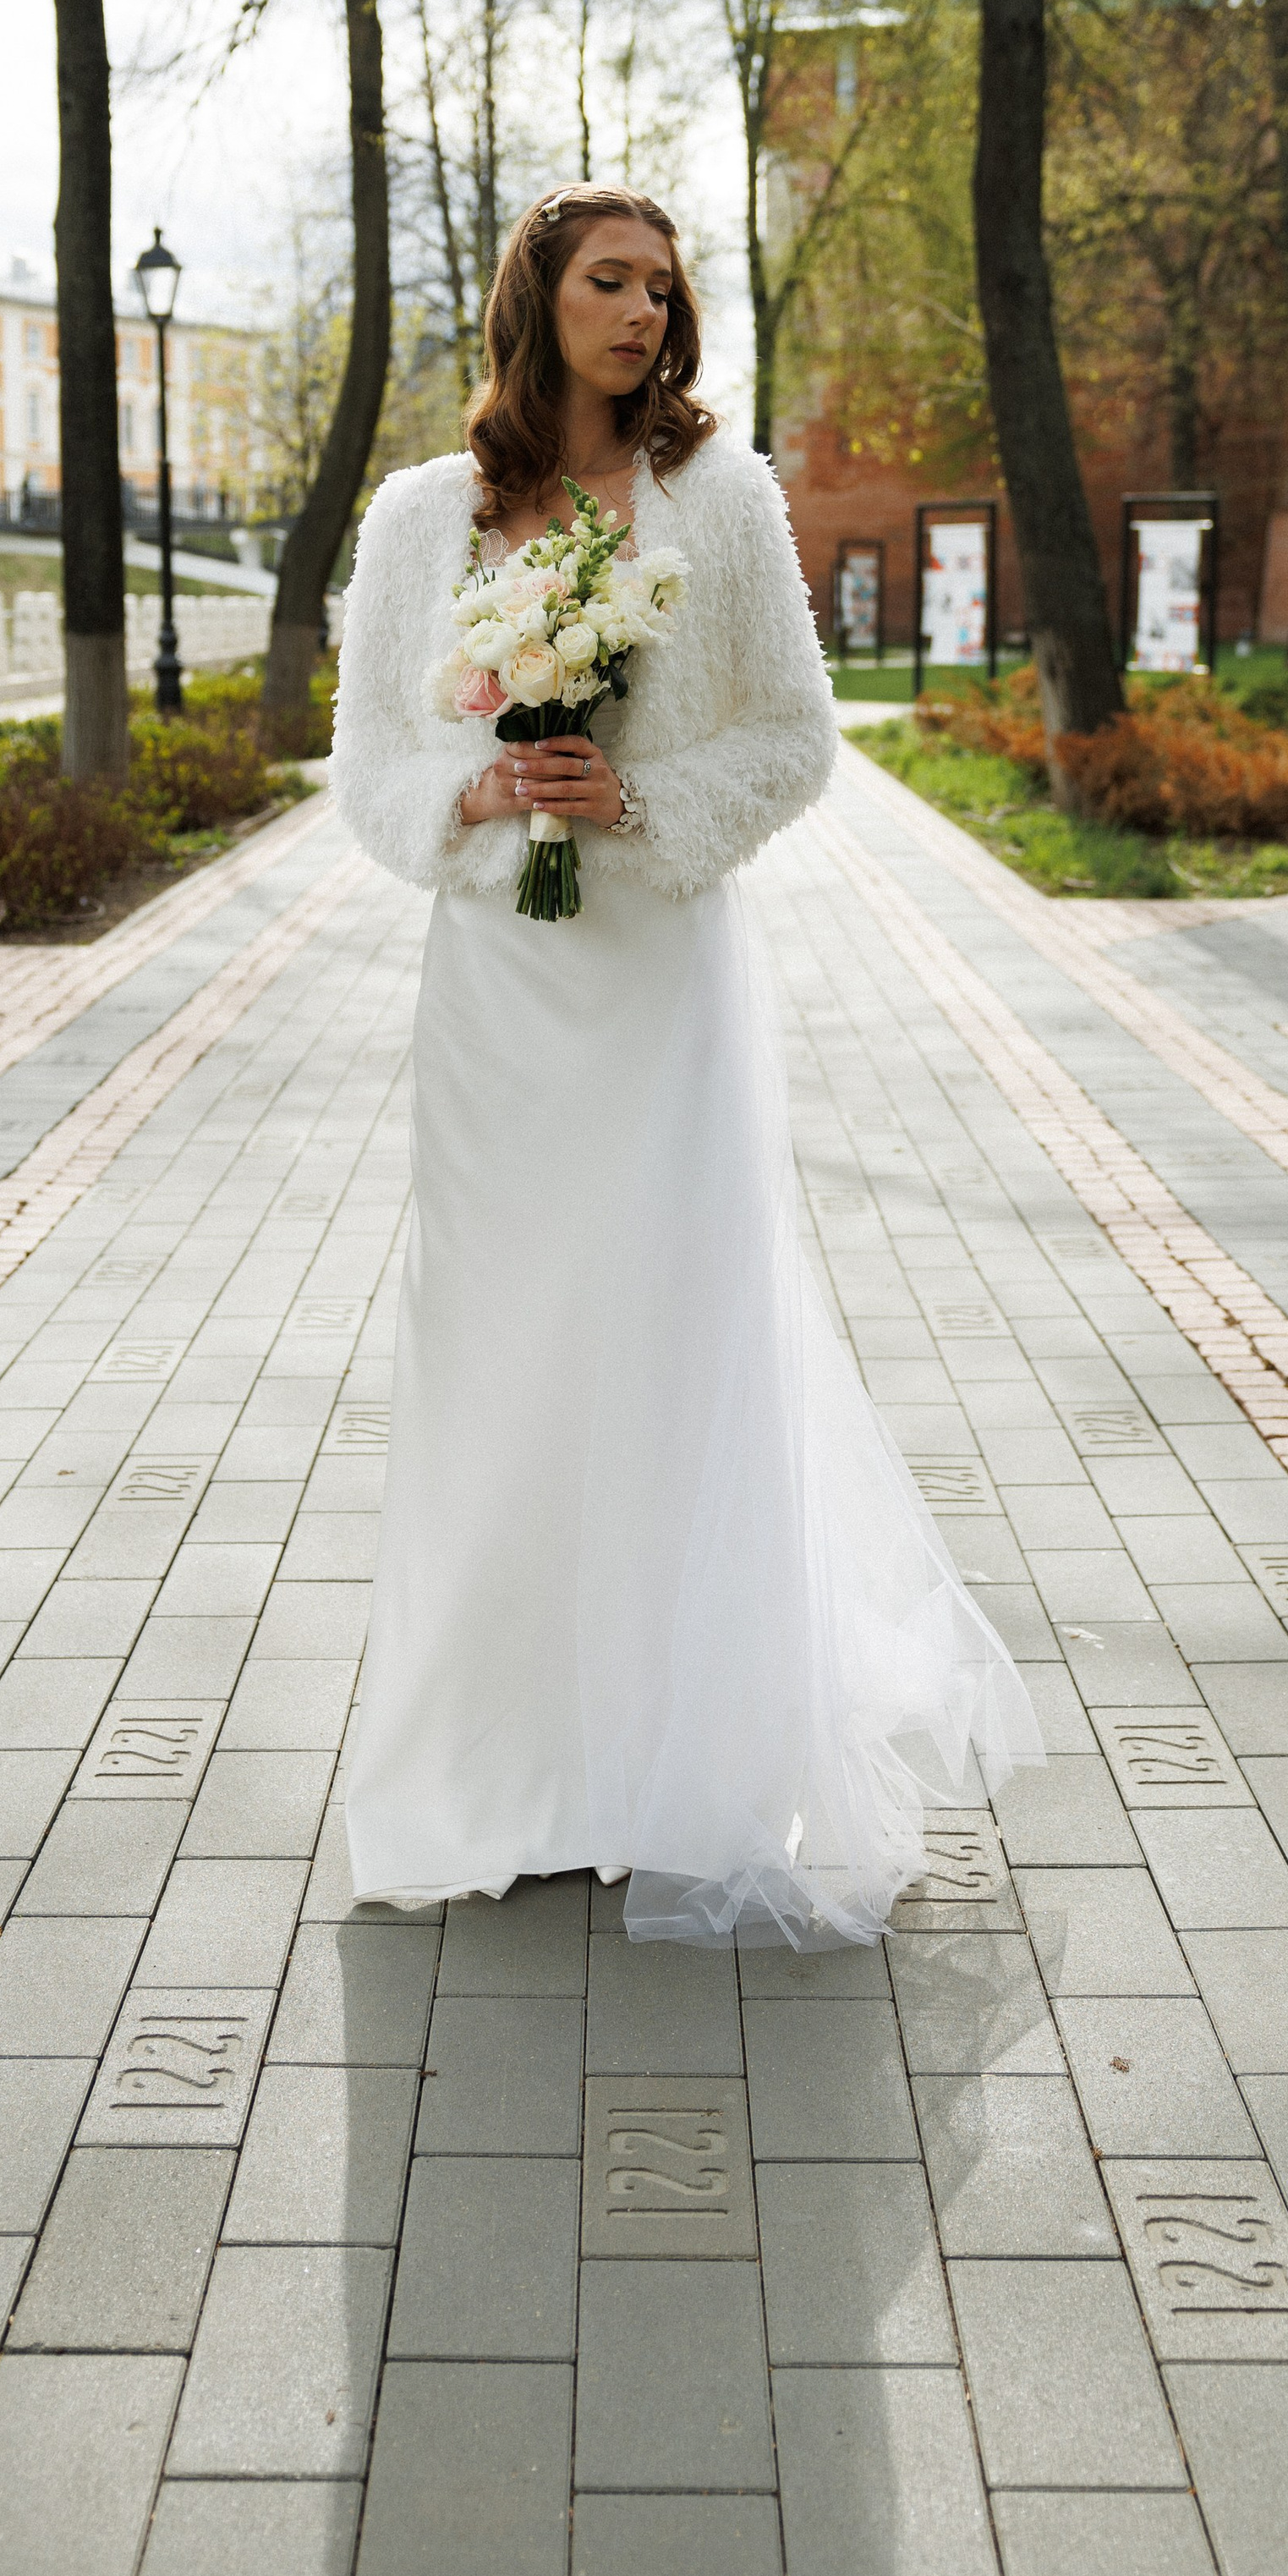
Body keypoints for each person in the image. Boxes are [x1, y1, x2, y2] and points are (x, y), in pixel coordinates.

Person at [330, 184, 1039, 1947]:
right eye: (608, 281)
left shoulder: (719, 502)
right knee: (496, 1354)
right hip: (495, 994)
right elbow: (362, 768)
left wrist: (635, 802)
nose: (642, 311)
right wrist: (481, 792)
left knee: (669, 1335)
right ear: (537, 299)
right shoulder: (424, 516)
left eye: (661, 285)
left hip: (662, 985)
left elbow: (794, 738)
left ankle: (673, 1761)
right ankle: (499, 1760)